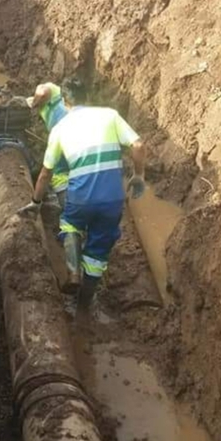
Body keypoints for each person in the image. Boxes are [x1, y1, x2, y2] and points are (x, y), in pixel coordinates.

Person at [21, 78, 147, 309]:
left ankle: (72, 272)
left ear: (66, 102)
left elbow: (45, 174)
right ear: (89, 97)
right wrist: (138, 176)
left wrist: (36, 202)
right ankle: (85, 303)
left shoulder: (60, 128)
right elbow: (138, 146)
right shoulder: (110, 115)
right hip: (112, 199)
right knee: (98, 253)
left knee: (70, 224)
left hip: (81, 196)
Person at [26, 82, 70, 206]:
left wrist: (35, 102)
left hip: (65, 171)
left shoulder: (51, 91)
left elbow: (42, 91)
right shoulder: (49, 113)